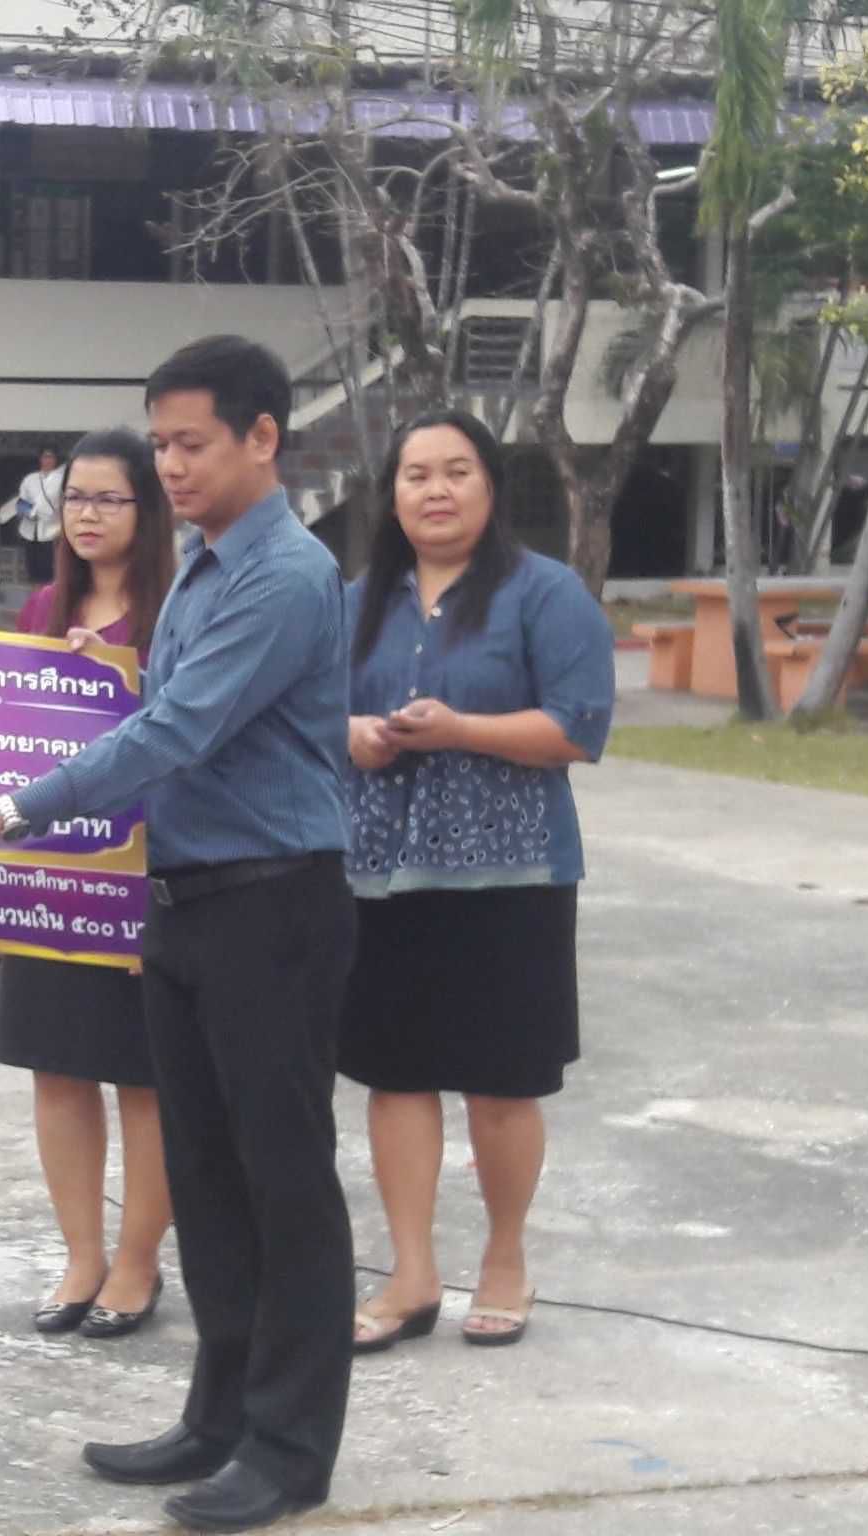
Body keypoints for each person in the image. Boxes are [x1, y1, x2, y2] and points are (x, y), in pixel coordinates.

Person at [0, 337, 355, 1534]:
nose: (170, 467)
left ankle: (290, 1447)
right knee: (206, 1174)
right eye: (158, 444)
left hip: (273, 904)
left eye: (190, 443)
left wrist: (5, 814)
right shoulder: (203, 563)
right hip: (184, 901)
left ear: (263, 438)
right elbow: (147, 713)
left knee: (282, 1178)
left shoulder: (284, 575)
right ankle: (219, 1417)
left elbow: (175, 732)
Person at [338, 408, 614, 1356]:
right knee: (395, 1077)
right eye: (416, 474)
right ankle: (411, 1272)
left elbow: (578, 727)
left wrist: (462, 730)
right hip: (380, 875)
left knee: (501, 1082)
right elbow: (304, 712)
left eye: (457, 471)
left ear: (491, 486)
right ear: (392, 496)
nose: (437, 491)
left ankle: (504, 1260)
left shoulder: (546, 592)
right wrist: (351, 735)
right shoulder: (357, 600)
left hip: (513, 873)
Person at [0, 428, 180, 1342]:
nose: (88, 515)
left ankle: (138, 1263)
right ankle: (81, 1256)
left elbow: (181, 737)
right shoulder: (41, 608)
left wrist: (111, 674)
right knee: (58, 1067)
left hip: (146, 879)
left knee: (147, 1080)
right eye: (75, 498)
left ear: (149, 509)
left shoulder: (178, 612)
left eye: (109, 498)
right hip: (51, 876)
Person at [0, 446, 66, 584]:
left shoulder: (62, 480)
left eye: (51, 457)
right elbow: (21, 502)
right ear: (40, 459)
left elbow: (66, 503)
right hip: (30, 530)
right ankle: (36, 593)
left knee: (51, 570)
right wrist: (31, 513)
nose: (48, 460)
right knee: (33, 570)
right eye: (45, 456)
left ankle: (49, 595)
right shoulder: (30, 479)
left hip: (52, 530)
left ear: (55, 459)